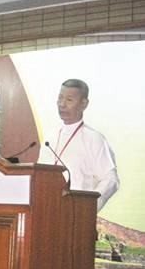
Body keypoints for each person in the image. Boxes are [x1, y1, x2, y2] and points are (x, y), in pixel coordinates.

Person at [37, 78, 119, 211]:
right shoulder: (49, 138)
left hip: (77, 215)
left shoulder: (94, 139)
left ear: (84, 104)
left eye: (69, 100)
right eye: (60, 98)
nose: (62, 104)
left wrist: (88, 207)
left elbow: (111, 180)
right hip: (47, 212)